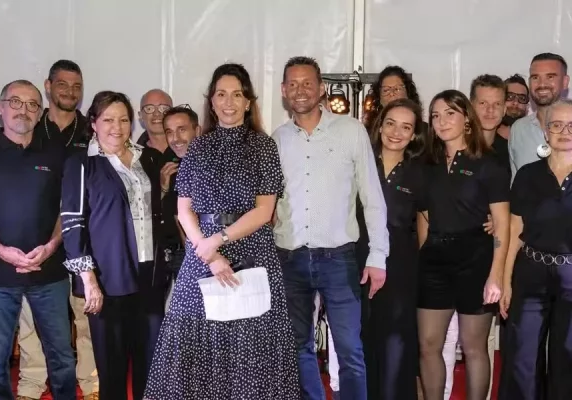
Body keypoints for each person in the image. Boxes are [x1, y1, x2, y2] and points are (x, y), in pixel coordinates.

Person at [143, 63, 300, 400]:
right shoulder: (198, 147)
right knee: (192, 339)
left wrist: (220, 239)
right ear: (211, 102)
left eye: (237, 95)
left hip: (251, 251)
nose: (229, 102)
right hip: (202, 255)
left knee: (249, 344)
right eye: (221, 95)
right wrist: (210, 253)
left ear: (248, 102)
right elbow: (184, 210)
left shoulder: (263, 146)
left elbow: (264, 211)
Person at [273, 56, 389, 400]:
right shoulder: (277, 139)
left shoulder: (351, 131)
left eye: (307, 83)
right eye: (293, 84)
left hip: (339, 259)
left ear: (321, 88)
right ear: (283, 91)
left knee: (350, 349)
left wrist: (378, 255)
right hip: (290, 258)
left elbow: (372, 197)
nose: (300, 91)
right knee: (298, 348)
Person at [0, 79, 76, 399]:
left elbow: (68, 209)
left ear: (40, 112)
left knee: (63, 359)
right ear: (0, 107)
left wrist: (52, 246)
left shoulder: (56, 154)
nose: (24, 110)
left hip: (49, 273)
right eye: (15, 102)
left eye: (32, 104)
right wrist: (0, 250)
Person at [60, 91, 166, 400]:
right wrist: (89, 280)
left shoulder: (148, 158)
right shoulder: (82, 163)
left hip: (149, 276)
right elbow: (73, 223)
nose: (116, 127)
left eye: (123, 120)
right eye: (108, 119)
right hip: (108, 280)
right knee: (112, 369)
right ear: (93, 123)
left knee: (151, 364)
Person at [417, 89, 510, 400]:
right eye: (435, 115)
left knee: (473, 347)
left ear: (467, 118)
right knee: (428, 344)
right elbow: (423, 215)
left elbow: (502, 222)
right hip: (434, 261)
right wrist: (424, 253)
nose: (441, 121)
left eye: (450, 113)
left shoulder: (489, 163)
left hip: (476, 259)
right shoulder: (427, 163)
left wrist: (496, 275)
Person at [17, 59, 98, 400]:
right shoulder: (30, 129)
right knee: (31, 317)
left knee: (86, 315)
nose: (70, 91)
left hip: (83, 238)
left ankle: (91, 383)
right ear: (48, 86)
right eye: (62, 84)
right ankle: (31, 383)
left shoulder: (91, 132)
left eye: (76, 86)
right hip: (38, 239)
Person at [499, 99, 572, 400]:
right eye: (557, 125)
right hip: (530, 273)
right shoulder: (528, 175)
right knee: (522, 357)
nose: (564, 132)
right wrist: (505, 281)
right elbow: (514, 230)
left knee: (568, 358)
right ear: (545, 131)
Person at [364, 98, 426, 400]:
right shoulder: (361, 163)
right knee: (362, 339)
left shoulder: (419, 172)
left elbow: (425, 225)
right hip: (357, 262)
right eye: (390, 123)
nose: (396, 133)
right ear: (380, 126)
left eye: (406, 127)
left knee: (396, 343)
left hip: (401, 266)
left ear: (414, 135)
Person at [160, 104, 202, 310]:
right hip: (180, 253)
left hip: (208, 252)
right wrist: (163, 188)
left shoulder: (212, 163)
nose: (175, 138)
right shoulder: (169, 165)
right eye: (169, 132)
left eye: (182, 130)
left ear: (197, 130)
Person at [509, 53, 569, 178]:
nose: (542, 84)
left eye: (550, 77)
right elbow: (516, 183)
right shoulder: (519, 129)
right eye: (535, 77)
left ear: (565, 82)